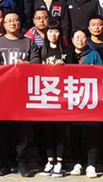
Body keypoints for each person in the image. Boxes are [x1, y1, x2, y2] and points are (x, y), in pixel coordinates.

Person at [0, 11, 40, 176]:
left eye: (16, 20)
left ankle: (23, 164)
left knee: (24, 132)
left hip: (24, 92)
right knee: (3, 131)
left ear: (20, 23)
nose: (13, 23)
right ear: (4, 24)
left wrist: (27, 64)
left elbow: (37, 63)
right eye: (9, 21)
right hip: (3, 92)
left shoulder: (29, 42)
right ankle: (4, 164)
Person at [66, 28, 103, 178]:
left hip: (90, 99)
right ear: (72, 40)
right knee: (75, 133)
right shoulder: (67, 55)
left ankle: (91, 165)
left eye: (82, 37)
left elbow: (102, 74)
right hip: (72, 100)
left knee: (91, 133)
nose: (80, 40)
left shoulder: (94, 55)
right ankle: (77, 163)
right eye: (77, 37)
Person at [36, 20, 66, 177]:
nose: (53, 34)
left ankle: (60, 162)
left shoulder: (67, 50)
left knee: (60, 130)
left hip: (63, 96)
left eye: (56, 31)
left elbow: (76, 71)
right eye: (50, 31)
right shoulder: (41, 50)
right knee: (47, 129)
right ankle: (50, 160)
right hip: (46, 96)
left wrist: (64, 66)